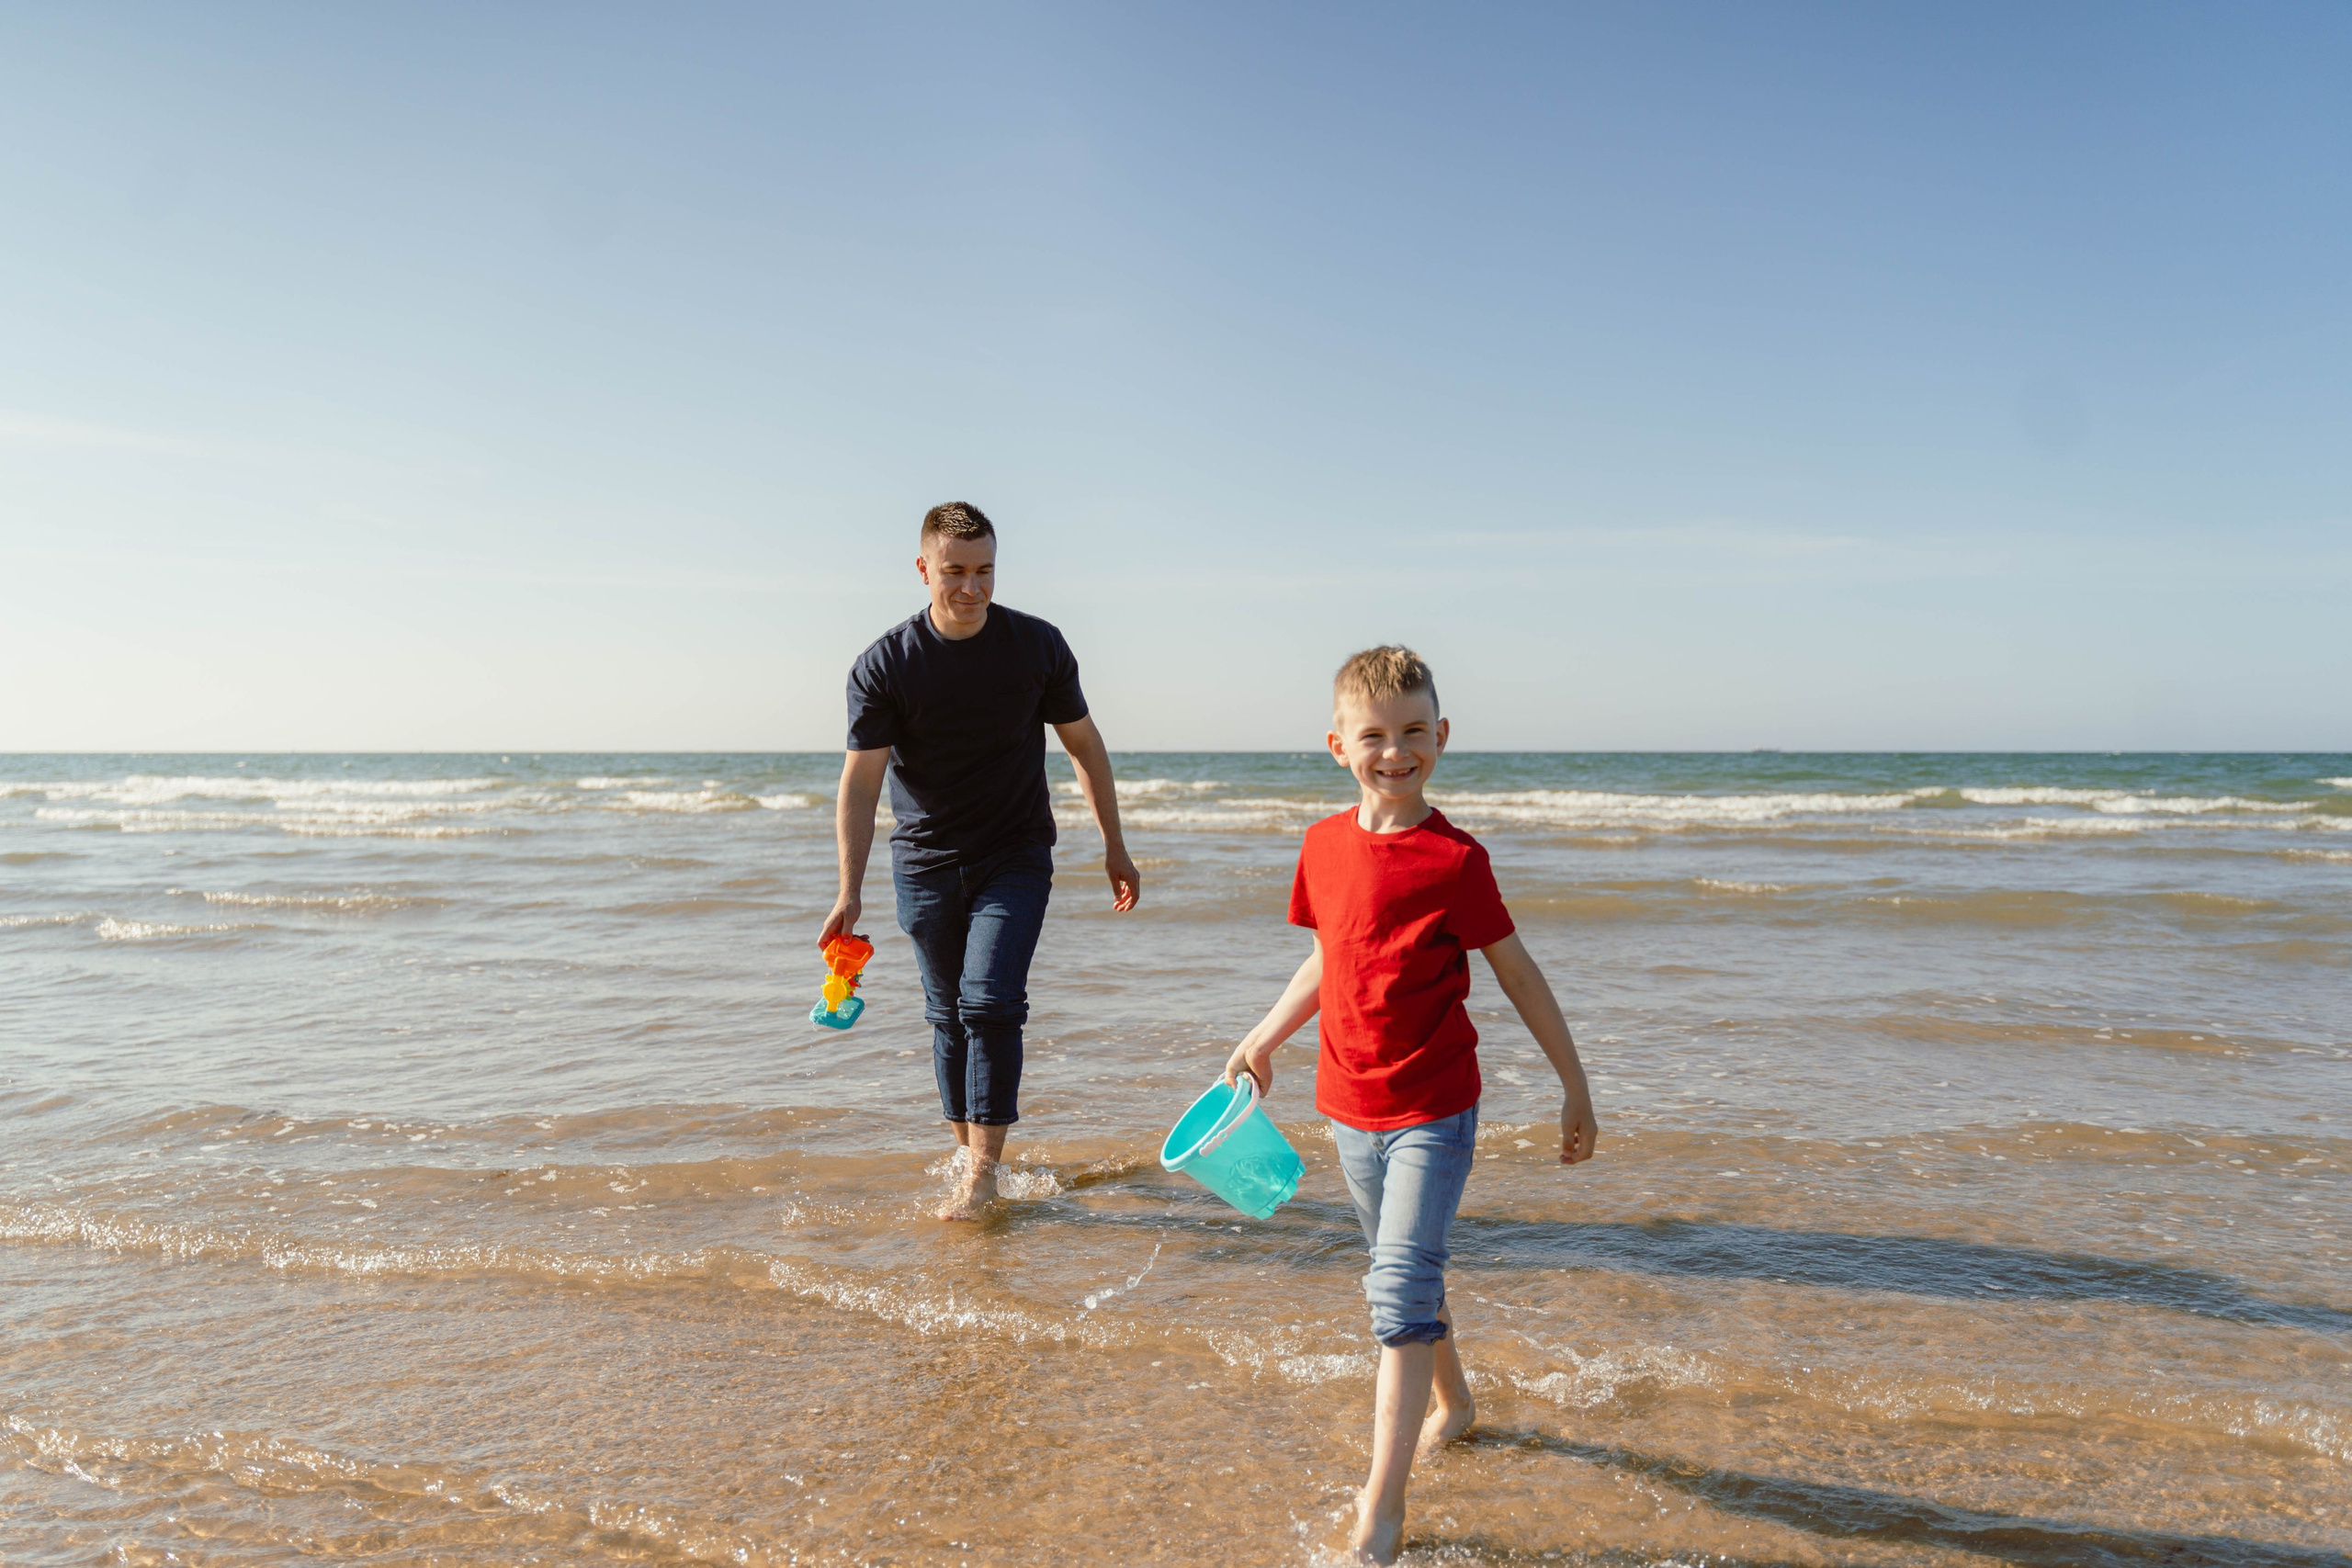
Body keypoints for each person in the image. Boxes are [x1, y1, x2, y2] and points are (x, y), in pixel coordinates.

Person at [1221, 645, 1598, 1565]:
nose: (1395, 753)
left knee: (1394, 1290)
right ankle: (1454, 1403)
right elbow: (1330, 958)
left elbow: (1518, 974)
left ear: (1441, 738)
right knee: (1407, 1281)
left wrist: (1574, 1083)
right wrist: (1264, 1037)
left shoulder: (1456, 859)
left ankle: (1381, 1510)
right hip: (1346, 1107)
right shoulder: (1320, 847)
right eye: (1374, 737)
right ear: (1337, 744)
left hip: (1434, 1108)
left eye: (1413, 734)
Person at [821, 502, 1140, 1220]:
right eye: (955, 571)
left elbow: (1085, 745)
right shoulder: (884, 665)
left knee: (990, 1003)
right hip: (925, 862)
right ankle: (974, 1154)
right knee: (947, 1016)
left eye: (984, 571)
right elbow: (862, 781)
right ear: (924, 568)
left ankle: (981, 1179)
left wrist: (1113, 845)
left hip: (1016, 852)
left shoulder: (1037, 646)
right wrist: (849, 891)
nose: (970, 587)